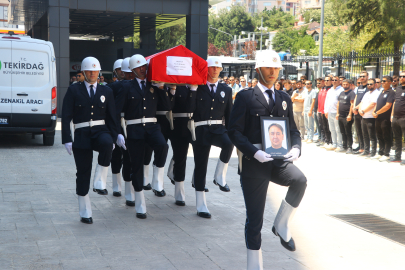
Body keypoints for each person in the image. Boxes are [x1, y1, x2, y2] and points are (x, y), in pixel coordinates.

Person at [228, 50, 306, 269]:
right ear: (258, 70)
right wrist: (254, 152)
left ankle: (281, 225)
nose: (272, 73)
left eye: (276, 69)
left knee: (300, 180)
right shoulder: (245, 97)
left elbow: (293, 130)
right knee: (255, 220)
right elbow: (234, 132)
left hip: (279, 160)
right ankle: (254, 265)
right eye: (268, 68)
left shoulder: (283, 98)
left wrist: (297, 148)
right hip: (255, 162)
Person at [114, 54, 173, 219]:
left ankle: (157, 180)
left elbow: (167, 106)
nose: (143, 69)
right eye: (140, 67)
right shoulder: (126, 87)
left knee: (163, 146)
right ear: (133, 69)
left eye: (144, 66)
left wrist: (162, 88)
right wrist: (118, 132)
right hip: (134, 129)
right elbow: (116, 111)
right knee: (137, 167)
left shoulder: (153, 85)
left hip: (153, 127)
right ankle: (140, 204)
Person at [62, 57, 118, 224]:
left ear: (99, 72)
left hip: (101, 130)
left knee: (107, 144)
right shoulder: (74, 90)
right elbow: (66, 116)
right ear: (84, 73)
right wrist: (67, 138)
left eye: (95, 71)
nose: (92, 73)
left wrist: (116, 135)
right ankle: (85, 211)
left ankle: (100, 181)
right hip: (81, 133)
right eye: (89, 71)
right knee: (83, 172)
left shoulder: (106, 91)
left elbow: (112, 116)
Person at [187, 56, 234, 219]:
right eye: (212, 67)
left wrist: (230, 132)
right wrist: (192, 91)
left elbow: (229, 114)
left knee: (229, 144)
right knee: (201, 166)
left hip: (218, 129)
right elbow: (190, 111)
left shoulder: (226, 90)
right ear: (206, 69)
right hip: (200, 130)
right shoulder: (197, 86)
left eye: (217, 67)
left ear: (221, 70)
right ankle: (201, 205)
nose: (214, 70)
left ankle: (219, 177)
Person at [108, 57, 137, 206]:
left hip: (130, 124)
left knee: (128, 157)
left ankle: (128, 191)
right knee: (115, 156)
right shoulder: (112, 87)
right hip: (117, 124)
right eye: (119, 70)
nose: (122, 73)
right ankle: (116, 185)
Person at [373, 76, 395, 161]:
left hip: (385, 118)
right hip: (378, 117)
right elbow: (377, 103)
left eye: (384, 81)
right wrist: (374, 112)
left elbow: (388, 105)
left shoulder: (391, 92)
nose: (382, 82)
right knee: (379, 135)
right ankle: (381, 152)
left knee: (386, 135)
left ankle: (386, 154)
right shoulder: (382, 92)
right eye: (382, 81)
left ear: (390, 82)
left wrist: (377, 112)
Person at [358, 78, 380, 157]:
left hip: (371, 117)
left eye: (371, 84)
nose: (369, 85)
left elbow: (373, 104)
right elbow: (361, 102)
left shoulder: (377, 93)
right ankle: (366, 150)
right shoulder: (367, 93)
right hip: (363, 117)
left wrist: (363, 111)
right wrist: (360, 110)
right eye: (368, 84)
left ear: (375, 85)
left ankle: (373, 152)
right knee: (365, 135)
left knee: (372, 136)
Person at [324, 76, 344, 151]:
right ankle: (334, 144)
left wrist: (338, 113)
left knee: (338, 129)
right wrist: (326, 111)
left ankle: (340, 145)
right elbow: (327, 101)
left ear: (339, 81)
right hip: (330, 112)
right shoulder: (330, 90)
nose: (334, 81)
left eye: (336, 80)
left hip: (336, 112)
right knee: (332, 129)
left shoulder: (341, 90)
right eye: (333, 80)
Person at [336, 79, 355, 154]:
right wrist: (337, 113)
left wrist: (350, 114)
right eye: (344, 84)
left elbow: (352, 104)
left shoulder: (351, 93)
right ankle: (344, 146)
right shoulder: (341, 93)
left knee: (348, 132)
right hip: (340, 115)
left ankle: (350, 147)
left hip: (347, 116)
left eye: (346, 84)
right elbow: (338, 103)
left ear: (350, 85)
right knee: (342, 132)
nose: (345, 86)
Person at [390, 71, 405, 164]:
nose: (402, 78)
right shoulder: (398, 88)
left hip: (404, 118)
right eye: (401, 76)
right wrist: (392, 115)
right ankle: (397, 157)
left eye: (404, 76)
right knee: (397, 138)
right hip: (396, 117)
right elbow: (395, 102)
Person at [353, 71, 369, 154]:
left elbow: (364, 100)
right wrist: (353, 107)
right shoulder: (359, 87)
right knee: (358, 130)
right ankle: (361, 146)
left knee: (364, 131)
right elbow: (356, 97)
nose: (362, 77)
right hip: (356, 111)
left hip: (363, 111)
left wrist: (357, 107)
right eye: (361, 76)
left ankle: (366, 148)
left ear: (367, 77)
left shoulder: (368, 87)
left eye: (364, 76)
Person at [317, 77, 332, 148]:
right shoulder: (322, 89)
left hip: (327, 112)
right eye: (325, 80)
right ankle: (326, 140)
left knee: (329, 127)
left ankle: (330, 141)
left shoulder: (330, 90)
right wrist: (319, 110)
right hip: (321, 111)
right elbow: (320, 101)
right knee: (323, 127)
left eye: (327, 80)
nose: (326, 82)